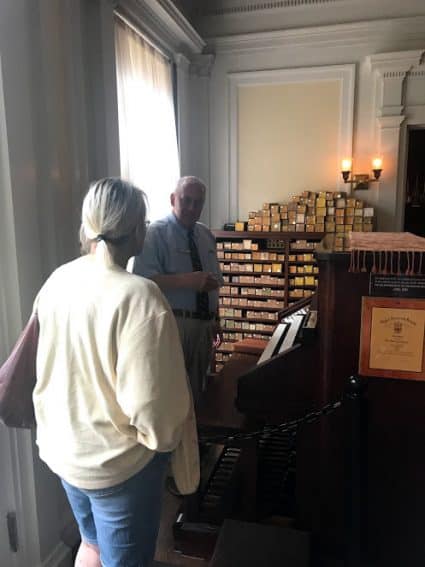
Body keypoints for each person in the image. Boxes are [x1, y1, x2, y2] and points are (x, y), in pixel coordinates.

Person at [32, 178, 198, 567]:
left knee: (90, 545)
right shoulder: (139, 296)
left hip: (66, 453)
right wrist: (161, 447)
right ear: (138, 229)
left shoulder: (58, 280)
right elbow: (154, 408)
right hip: (118, 467)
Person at [133, 176, 223, 406]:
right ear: (173, 199)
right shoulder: (154, 234)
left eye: (198, 202)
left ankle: (195, 440)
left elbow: (213, 282)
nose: (192, 207)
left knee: (198, 391)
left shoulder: (205, 235)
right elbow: (144, 281)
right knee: (173, 395)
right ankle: (177, 442)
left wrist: (216, 318)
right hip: (173, 324)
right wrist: (188, 281)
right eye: (187, 200)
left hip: (203, 325)